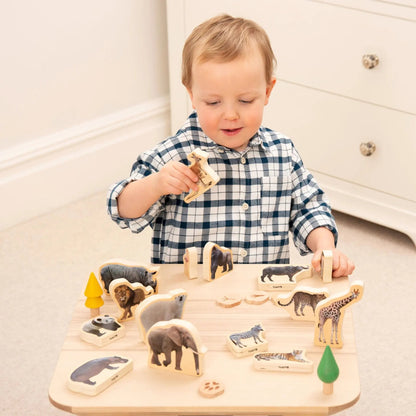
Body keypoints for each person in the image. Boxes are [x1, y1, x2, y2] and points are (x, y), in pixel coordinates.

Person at [107, 14, 354, 277]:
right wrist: (155, 184)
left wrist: (325, 249)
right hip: (190, 294)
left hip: (262, 291)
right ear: (192, 94)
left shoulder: (282, 153)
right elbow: (123, 211)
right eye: (213, 103)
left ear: (267, 92)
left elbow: (309, 208)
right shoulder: (172, 156)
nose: (231, 115)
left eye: (246, 100)